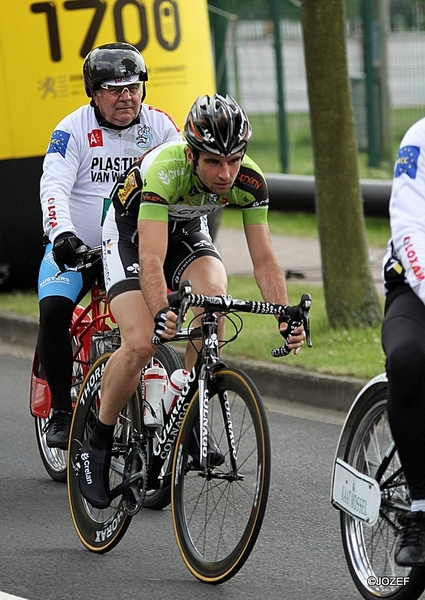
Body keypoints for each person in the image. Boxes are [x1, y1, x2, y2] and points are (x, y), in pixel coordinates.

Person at [78, 93, 307, 509]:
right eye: (214, 163)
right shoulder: (167, 171)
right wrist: (161, 309)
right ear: (191, 155)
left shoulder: (250, 181)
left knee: (214, 301)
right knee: (142, 341)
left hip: (186, 229)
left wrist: (284, 315)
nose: (226, 174)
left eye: (234, 161)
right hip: (131, 231)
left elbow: (265, 259)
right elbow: (150, 259)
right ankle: (97, 443)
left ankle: (187, 413)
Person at [38, 42, 181, 450]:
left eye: (133, 87)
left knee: (168, 314)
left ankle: (177, 421)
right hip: (78, 247)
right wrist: (60, 233)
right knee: (53, 309)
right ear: (94, 93)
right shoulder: (71, 129)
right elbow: (54, 184)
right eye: (115, 89)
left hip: (134, 248)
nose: (126, 97)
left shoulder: (160, 128)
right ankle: (62, 412)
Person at [381, 117, 425, 566]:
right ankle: (420, 508)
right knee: (409, 360)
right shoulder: (420, 138)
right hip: (415, 286)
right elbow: (410, 229)